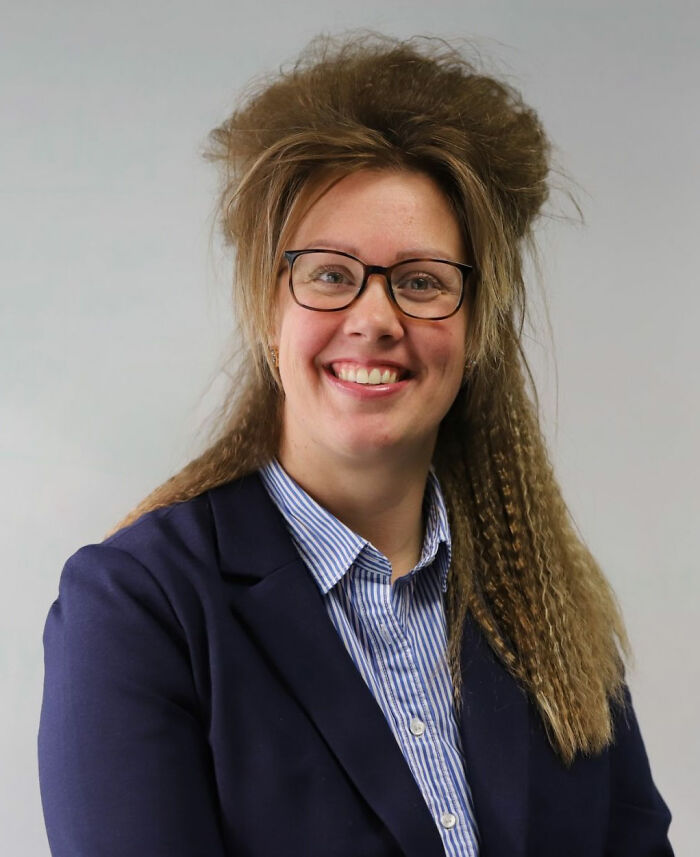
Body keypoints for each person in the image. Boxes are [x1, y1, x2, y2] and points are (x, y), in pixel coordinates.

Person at [38, 33, 673, 857]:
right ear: (269, 313)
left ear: (475, 329)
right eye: (331, 274)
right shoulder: (140, 609)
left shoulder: (545, 608)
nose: (375, 318)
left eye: (421, 281)